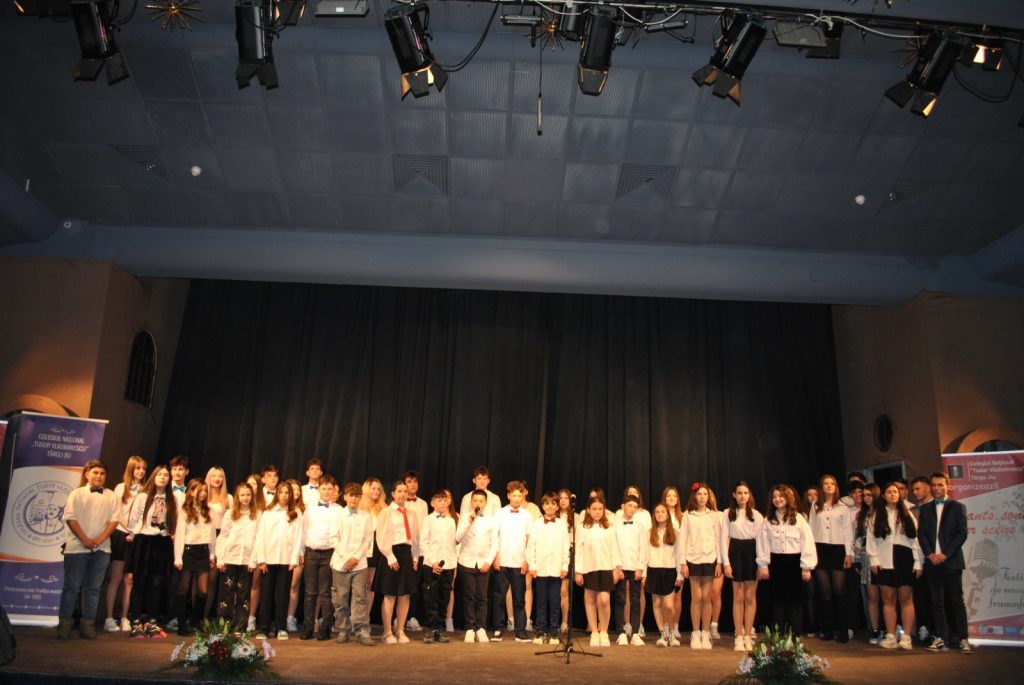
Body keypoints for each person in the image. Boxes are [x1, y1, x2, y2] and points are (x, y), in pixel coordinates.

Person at [58, 460, 120, 640]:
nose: (99, 476)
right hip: (77, 548)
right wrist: (84, 539)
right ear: (86, 474)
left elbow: (114, 520)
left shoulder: (111, 496)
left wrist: (100, 539)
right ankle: (65, 624)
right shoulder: (76, 494)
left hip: (102, 549)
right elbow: (70, 518)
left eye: (102, 473)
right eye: (95, 472)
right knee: (72, 587)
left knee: (94, 588)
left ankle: (88, 624)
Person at [916, 471, 971, 654]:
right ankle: (941, 637)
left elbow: (961, 534)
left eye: (940, 484)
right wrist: (930, 554)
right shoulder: (925, 509)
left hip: (952, 561)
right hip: (932, 562)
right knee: (936, 602)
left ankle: (963, 638)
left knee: (956, 600)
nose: (937, 488)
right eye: (934, 485)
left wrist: (945, 554)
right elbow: (921, 535)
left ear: (948, 486)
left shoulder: (957, 507)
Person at [868, 482, 923, 650]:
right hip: (885, 560)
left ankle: (906, 637)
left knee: (906, 599)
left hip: (905, 559)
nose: (893, 494)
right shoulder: (877, 515)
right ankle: (891, 636)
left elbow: (915, 540)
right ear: (884, 496)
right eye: (889, 492)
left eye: (896, 492)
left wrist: (918, 562)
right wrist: (874, 560)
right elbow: (871, 539)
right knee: (888, 599)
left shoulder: (907, 514)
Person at [757, 484, 817, 636]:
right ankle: (780, 638)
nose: (777, 499)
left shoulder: (798, 518)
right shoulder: (768, 520)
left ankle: (795, 638)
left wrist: (806, 566)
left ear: (788, 498)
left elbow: (807, 542)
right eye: (774, 497)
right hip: (776, 563)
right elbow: (763, 543)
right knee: (777, 602)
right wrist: (763, 565)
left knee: (794, 602)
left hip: (794, 564)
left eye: (781, 496)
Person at [125, 464, 178, 638]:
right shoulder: (142, 497)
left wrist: (167, 532)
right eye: (159, 474)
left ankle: (152, 621)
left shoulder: (171, 499)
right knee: (140, 582)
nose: (163, 477)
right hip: (144, 541)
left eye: (166, 475)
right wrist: (137, 533)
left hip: (162, 542)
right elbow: (133, 520)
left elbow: (172, 521)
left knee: (157, 584)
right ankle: (136, 621)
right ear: (153, 477)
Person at [252, 482, 303, 640]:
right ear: (277, 494)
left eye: (287, 493)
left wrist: (294, 558)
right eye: (281, 492)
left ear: (291, 495)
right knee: (266, 594)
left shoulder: (296, 513)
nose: (284, 496)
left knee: (282, 595)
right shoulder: (268, 512)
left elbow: (298, 537)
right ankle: (264, 627)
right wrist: (261, 559)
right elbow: (261, 536)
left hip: (286, 559)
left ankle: (281, 627)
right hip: (269, 559)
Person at [103, 455, 147, 633]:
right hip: (121, 534)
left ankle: (124, 617)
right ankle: (108, 617)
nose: (141, 471)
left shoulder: (146, 489)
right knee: (115, 577)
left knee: (129, 579)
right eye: (138, 468)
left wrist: (135, 531)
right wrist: (129, 529)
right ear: (131, 469)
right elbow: (117, 512)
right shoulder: (121, 488)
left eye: (143, 468)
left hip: (136, 536)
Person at [374, 480, 420, 644]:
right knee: (390, 594)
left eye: (405, 491)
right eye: (399, 491)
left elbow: (415, 537)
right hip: (391, 554)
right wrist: (390, 556)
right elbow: (381, 536)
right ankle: (387, 632)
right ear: (393, 494)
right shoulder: (386, 512)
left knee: (405, 595)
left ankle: (400, 630)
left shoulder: (412, 513)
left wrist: (415, 556)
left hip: (406, 554)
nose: (403, 494)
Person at [809, 474, 853, 643]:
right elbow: (811, 529)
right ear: (821, 487)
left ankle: (843, 630)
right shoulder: (815, 506)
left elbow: (848, 531)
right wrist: (811, 553)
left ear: (836, 487)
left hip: (838, 549)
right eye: (826, 484)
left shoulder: (843, 507)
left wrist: (848, 553)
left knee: (839, 590)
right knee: (825, 591)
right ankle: (827, 629)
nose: (829, 486)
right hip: (820, 549)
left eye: (832, 484)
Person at [574, 495, 623, 648]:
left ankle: (604, 631)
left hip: (606, 567)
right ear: (588, 510)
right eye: (594, 509)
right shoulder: (583, 527)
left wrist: (616, 568)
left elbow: (615, 548)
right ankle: (594, 632)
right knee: (590, 599)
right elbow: (579, 550)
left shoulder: (609, 527)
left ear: (604, 510)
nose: (597, 512)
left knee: (604, 600)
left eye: (600, 509)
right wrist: (578, 571)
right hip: (589, 567)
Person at [331, 482, 376, 646]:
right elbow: (334, 538)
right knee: (340, 598)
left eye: (357, 496)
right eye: (351, 495)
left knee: (360, 598)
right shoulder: (337, 515)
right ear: (345, 497)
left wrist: (355, 558)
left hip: (359, 564)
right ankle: (343, 629)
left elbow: (367, 539)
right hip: (340, 563)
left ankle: (362, 631)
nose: (354, 499)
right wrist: (346, 558)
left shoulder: (366, 516)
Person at [722, 481, 764, 652]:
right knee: (738, 596)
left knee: (750, 597)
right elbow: (724, 539)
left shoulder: (756, 515)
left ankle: (748, 635)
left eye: (745, 493)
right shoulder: (727, 513)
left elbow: (761, 540)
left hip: (751, 553)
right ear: (734, 495)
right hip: (735, 552)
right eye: (739, 493)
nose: (742, 496)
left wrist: (761, 563)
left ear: (749, 495)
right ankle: (738, 635)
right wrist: (726, 563)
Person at [298, 475, 341, 641]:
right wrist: (301, 551)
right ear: (319, 490)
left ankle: (325, 628)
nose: (327, 492)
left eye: (330, 489)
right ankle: (308, 627)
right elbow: (303, 531)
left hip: (329, 553)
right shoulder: (310, 509)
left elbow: (341, 534)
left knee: (325, 592)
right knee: (310, 592)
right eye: (324, 488)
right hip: (311, 553)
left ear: (334, 490)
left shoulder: (339, 510)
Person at [681, 482, 722, 650]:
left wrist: (719, 562)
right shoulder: (688, 515)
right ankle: (696, 632)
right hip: (693, 560)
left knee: (707, 597)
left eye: (705, 494)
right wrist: (683, 562)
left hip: (710, 559)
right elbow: (683, 539)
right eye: (699, 494)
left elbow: (718, 539)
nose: (702, 497)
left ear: (709, 497)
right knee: (696, 598)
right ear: (694, 496)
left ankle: (706, 632)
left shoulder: (714, 516)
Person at [215, 481, 260, 634]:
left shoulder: (257, 515)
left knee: (243, 595)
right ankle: (224, 625)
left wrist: (254, 560)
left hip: (247, 561)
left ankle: (240, 626)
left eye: (248, 495)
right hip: (230, 558)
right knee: (226, 594)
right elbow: (223, 536)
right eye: (242, 495)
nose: (245, 498)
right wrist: (220, 558)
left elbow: (258, 539)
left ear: (252, 496)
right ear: (237, 496)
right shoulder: (230, 514)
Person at [173, 478, 216, 635]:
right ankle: (181, 624)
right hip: (188, 550)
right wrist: (178, 557)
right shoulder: (185, 511)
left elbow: (211, 535)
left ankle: (196, 621)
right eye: (200, 490)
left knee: (203, 590)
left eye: (205, 491)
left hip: (203, 551)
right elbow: (180, 535)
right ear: (191, 492)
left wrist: (212, 554)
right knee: (184, 588)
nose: (203, 493)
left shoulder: (208, 510)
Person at [526, 491, 569, 646]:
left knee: (555, 602)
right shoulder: (536, 524)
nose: (550, 506)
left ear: (557, 507)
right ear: (542, 506)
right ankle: (541, 631)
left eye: (553, 504)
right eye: (547, 503)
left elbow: (565, 547)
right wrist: (532, 565)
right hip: (541, 569)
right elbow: (531, 546)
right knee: (541, 602)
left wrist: (564, 566)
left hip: (556, 570)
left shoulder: (561, 525)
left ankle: (553, 632)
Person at [492, 480, 532, 642]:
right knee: (499, 596)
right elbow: (495, 536)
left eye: (519, 496)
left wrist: (526, 560)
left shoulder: (527, 516)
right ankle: (498, 628)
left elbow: (529, 539)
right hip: (502, 560)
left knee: (519, 598)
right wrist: (496, 557)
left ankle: (520, 630)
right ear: (508, 496)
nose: (516, 498)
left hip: (518, 562)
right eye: (513, 495)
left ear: (523, 496)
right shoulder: (499, 513)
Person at [457, 489, 499, 643]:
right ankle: (470, 628)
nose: (478, 503)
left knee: (482, 597)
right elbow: (458, 538)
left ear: (486, 503)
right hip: (466, 561)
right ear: (471, 502)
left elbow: (495, 543)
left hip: (483, 563)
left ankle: (481, 628)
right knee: (469, 596)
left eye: (481, 501)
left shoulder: (491, 520)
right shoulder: (464, 518)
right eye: (475, 500)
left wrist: (489, 561)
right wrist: (469, 521)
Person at [419, 489, 457, 644]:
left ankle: (439, 628)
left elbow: (453, 545)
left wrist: (453, 565)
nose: (442, 503)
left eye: (444, 500)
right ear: (432, 503)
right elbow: (424, 542)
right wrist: (433, 561)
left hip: (448, 565)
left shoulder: (451, 521)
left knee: (444, 597)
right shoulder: (428, 520)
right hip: (431, 565)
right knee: (431, 597)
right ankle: (430, 628)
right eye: (439, 500)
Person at [613, 494, 646, 645]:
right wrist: (617, 567)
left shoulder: (640, 526)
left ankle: (635, 633)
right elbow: (614, 546)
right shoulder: (615, 525)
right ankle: (620, 632)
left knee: (635, 600)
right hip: (621, 567)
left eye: (635, 507)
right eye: (629, 506)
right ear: (623, 506)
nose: (632, 509)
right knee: (620, 599)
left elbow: (643, 548)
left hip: (634, 567)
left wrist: (640, 568)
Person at [647, 503, 681, 647]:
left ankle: (672, 632)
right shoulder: (649, 533)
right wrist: (644, 574)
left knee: (668, 605)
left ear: (668, 515)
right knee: (657, 604)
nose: (660, 514)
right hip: (654, 570)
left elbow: (679, 555)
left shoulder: (675, 533)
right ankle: (663, 634)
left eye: (663, 512)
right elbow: (645, 554)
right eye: (657, 512)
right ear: (654, 515)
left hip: (669, 571)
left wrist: (680, 576)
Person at [853, 483, 882, 644]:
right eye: (864, 495)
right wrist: (857, 561)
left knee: (888, 596)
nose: (866, 498)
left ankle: (890, 629)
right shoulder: (861, 515)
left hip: (884, 557)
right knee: (872, 596)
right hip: (865, 558)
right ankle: (875, 629)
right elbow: (857, 538)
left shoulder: (884, 513)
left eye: (869, 495)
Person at [203, 467, 232, 620]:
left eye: (220, 476)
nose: (217, 479)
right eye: (214, 476)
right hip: (203, 536)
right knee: (200, 579)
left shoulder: (228, 498)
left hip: (220, 536)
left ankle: (207, 616)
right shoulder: (203, 494)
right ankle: (198, 616)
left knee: (213, 579)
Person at [909, 475, 934, 643]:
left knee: (938, 598)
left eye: (918, 489)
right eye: (913, 490)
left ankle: (941, 632)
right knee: (921, 597)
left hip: (937, 559)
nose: (915, 492)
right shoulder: (913, 512)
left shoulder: (940, 508)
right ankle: (925, 628)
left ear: (928, 488)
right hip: (919, 559)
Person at [402, 470, 428, 633]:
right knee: (401, 584)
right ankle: (399, 617)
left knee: (415, 585)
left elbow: (424, 527)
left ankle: (411, 616)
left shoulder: (423, 504)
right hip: (403, 548)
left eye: (415, 481)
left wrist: (421, 551)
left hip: (418, 548)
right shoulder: (399, 503)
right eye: (409, 481)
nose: (412, 485)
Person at [359, 477, 388, 611]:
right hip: (360, 547)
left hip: (376, 548)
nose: (376, 491)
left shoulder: (384, 509)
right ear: (366, 490)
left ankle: (366, 616)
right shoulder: (358, 506)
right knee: (358, 583)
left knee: (370, 583)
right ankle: (355, 615)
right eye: (373, 488)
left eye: (378, 489)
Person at [661, 485, 685, 640]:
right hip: (663, 561)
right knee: (664, 598)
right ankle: (665, 626)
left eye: (674, 496)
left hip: (678, 560)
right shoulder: (660, 514)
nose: (671, 498)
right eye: (668, 495)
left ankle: (675, 626)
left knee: (677, 596)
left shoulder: (683, 517)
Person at [556, 488, 574, 634]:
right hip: (552, 555)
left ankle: (564, 621)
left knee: (564, 590)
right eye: (560, 498)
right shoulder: (553, 516)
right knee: (553, 590)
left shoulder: (576, 517)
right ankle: (553, 621)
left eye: (566, 498)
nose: (563, 501)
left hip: (567, 555)